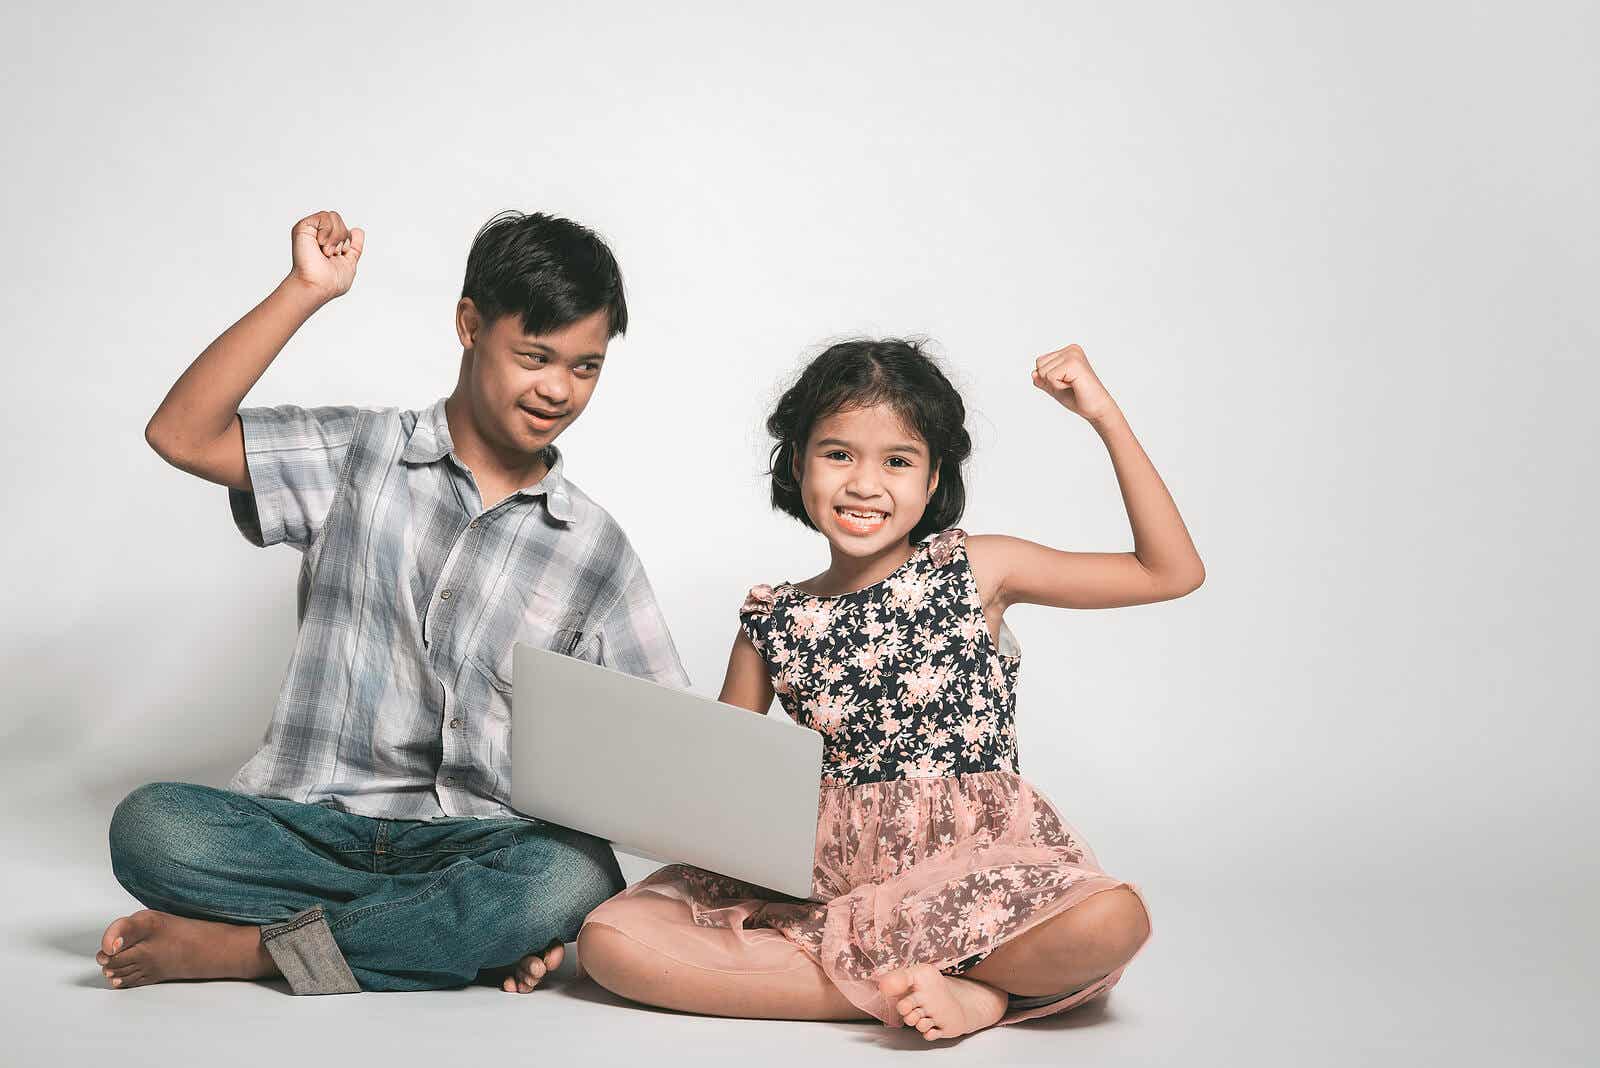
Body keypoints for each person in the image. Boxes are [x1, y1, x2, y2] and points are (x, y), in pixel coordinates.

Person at [96, 209, 688, 995]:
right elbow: (181, 432)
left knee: (571, 877)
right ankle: (434, 936)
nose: (557, 389)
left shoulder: (593, 549)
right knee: (150, 829)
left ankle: (253, 952)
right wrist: (307, 290)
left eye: (585, 367)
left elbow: (674, 749)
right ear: (469, 325)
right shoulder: (360, 454)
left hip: (476, 842)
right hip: (309, 827)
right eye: (535, 356)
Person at [577, 338, 1202, 1040]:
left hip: (971, 873)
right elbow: (719, 783)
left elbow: (1169, 571)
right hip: (830, 885)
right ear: (796, 463)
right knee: (610, 939)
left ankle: (942, 984)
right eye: (838, 453)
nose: (865, 484)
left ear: (933, 481)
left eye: (897, 461)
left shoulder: (977, 569)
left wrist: (1104, 416)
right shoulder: (772, 618)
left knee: (1113, 918)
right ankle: (956, 985)